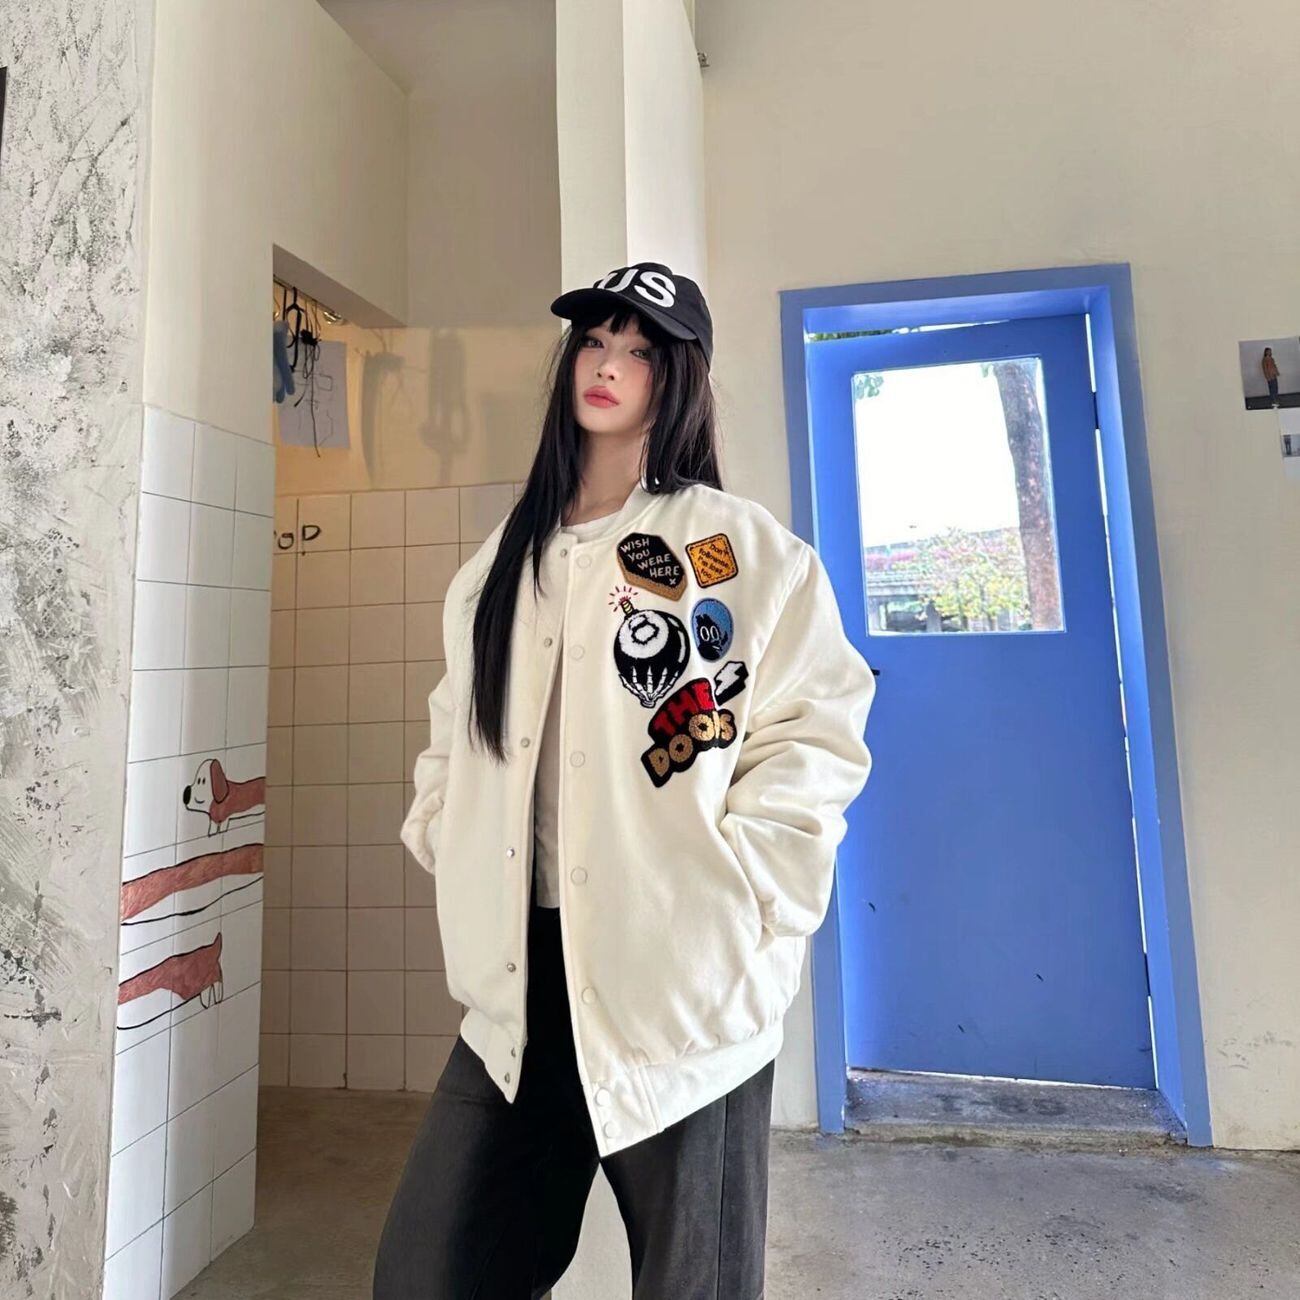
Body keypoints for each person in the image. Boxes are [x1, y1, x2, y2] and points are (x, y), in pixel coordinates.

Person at [372, 261, 877, 1299]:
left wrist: (750, 896)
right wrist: (442, 825)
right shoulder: (502, 563)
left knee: (693, 1286)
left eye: (639, 351)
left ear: (675, 377)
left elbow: (814, 733)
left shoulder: (740, 552)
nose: (608, 365)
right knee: (428, 1272)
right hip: (517, 996)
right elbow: (452, 728)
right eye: (595, 343)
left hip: (683, 992)